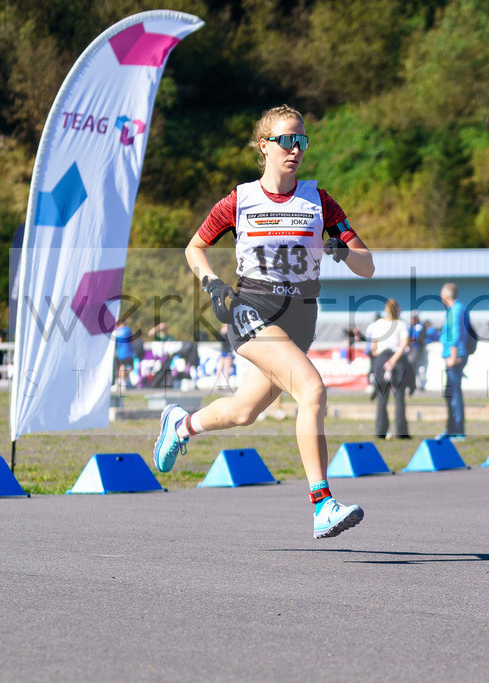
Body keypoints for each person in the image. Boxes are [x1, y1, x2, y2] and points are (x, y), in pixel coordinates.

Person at [152, 105, 375, 539]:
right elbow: (194, 248)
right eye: (287, 141)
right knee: (312, 390)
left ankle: (180, 425)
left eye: (302, 141)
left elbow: (367, 266)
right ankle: (322, 503)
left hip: (300, 319)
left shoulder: (319, 201)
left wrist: (343, 250)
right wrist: (213, 285)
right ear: (264, 146)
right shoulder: (240, 200)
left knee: (243, 412)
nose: (296, 150)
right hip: (252, 310)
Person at [366, 298, 412, 439]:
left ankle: (380, 431)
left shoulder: (377, 325)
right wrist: (393, 360)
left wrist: (383, 359)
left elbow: (373, 348)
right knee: (399, 397)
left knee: (382, 398)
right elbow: (404, 344)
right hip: (398, 361)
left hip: (381, 360)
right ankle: (401, 432)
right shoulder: (401, 325)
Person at [439, 282, 468, 439]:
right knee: (449, 393)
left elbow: (455, 334)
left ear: (445, 295)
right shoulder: (458, 309)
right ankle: (451, 428)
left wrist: (453, 356)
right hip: (454, 354)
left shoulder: (454, 310)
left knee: (454, 394)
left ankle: (457, 429)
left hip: (454, 356)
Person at [112, 320, 136, 388]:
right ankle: (123, 380)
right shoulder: (127, 329)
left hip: (119, 352)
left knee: (122, 366)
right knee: (129, 366)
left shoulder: (116, 331)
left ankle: (121, 379)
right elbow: (132, 340)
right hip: (127, 351)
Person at [215, 322, 234, 387]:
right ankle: (218, 382)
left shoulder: (229, 333)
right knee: (219, 367)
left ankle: (226, 382)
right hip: (223, 352)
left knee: (226, 368)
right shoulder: (222, 333)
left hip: (228, 353)